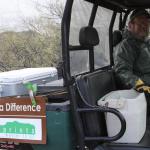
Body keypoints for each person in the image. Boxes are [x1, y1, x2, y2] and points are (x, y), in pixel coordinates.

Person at [114, 9, 150, 93]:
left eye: (147, 23)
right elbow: (123, 72)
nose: (145, 26)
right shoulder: (126, 47)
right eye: (141, 23)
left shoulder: (146, 42)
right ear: (130, 25)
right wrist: (142, 87)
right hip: (142, 90)